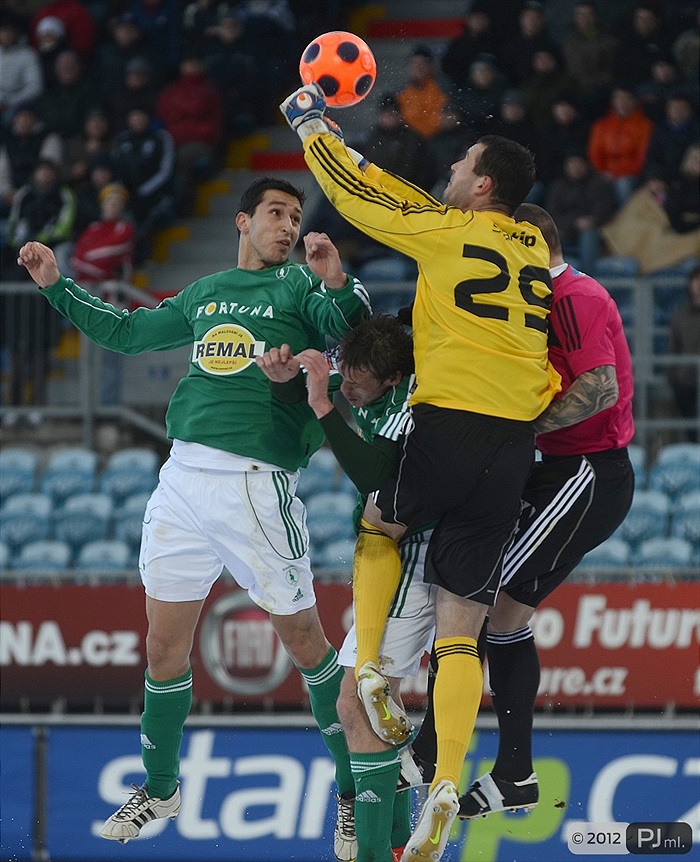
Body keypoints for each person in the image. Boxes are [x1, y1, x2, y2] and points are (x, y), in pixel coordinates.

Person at [16, 176, 371, 849]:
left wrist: (332, 279)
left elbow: (350, 336)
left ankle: (354, 788)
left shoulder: (299, 288)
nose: (288, 226)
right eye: (276, 214)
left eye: (296, 217)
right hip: (180, 479)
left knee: (304, 643)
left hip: (255, 481)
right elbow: (125, 333)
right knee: (161, 645)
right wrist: (57, 286)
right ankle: (160, 787)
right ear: (242, 221)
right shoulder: (206, 294)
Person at [280, 83, 561, 861]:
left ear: (483, 187)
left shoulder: (451, 230)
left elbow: (364, 190)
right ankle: (445, 782)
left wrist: (311, 126)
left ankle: (368, 665)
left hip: (452, 422)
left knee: (381, 519)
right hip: (514, 446)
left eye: (462, 164)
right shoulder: (535, 250)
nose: (449, 173)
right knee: (463, 629)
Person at [411, 203, 636, 820]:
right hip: (559, 470)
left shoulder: (574, 297)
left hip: (584, 471)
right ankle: (512, 776)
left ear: (532, 244)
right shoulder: (535, 299)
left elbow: (600, 389)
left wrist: (515, 427)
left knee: (476, 599)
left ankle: (435, 751)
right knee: (500, 617)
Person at [258, 315, 432, 862]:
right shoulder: (373, 379)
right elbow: (313, 388)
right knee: (362, 704)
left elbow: (373, 474)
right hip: (387, 557)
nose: (348, 387)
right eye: (345, 374)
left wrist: (322, 405)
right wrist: (288, 376)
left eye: (359, 383)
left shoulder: (409, 403)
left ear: (392, 378)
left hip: (409, 557)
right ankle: (392, 837)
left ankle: (378, 841)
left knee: (357, 703)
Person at [545, 149, 617, 276]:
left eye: (579, 164)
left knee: (588, 235)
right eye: (572, 164)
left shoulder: (598, 184)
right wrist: (574, 223)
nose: (575, 167)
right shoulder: (558, 187)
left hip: (594, 233)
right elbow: (551, 215)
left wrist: (592, 221)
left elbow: (605, 212)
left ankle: (588, 280)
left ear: (586, 165)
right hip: (566, 233)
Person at [587, 86, 653, 205]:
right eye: (619, 99)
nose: (623, 103)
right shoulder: (601, 125)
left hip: (631, 174)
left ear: (634, 102)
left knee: (624, 185)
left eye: (627, 99)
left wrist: (617, 174)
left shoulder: (645, 126)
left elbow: (642, 157)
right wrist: (603, 172)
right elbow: (595, 153)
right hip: (604, 173)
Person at [69, 182, 135, 283]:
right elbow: (77, 255)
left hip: (112, 286)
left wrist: (84, 262)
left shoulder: (125, 229)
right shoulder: (93, 228)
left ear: (123, 206)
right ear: (102, 204)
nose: (113, 204)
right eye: (109, 200)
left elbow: (108, 254)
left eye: (118, 201)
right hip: (84, 284)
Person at [668, 265, 700, 442]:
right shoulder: (680, 315)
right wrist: (675, 376)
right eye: (697, 279)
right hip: (686, 381)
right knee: (691, 431)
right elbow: (674, 348)